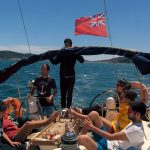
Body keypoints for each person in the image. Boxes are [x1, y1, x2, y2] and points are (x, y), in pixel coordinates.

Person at [69, 101, 147, 150]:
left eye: (130, 111)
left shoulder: (135, 130)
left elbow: (110, 137)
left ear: (137, 114)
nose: (127, 112)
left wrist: (91, 127)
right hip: (109, 142)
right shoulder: (135, 123)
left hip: (108, 147)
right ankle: (76, 140)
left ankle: (75, 140)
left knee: (83, 138)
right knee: (94, 114)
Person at [75, 78, 148, 115]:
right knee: (99, 106)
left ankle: (83, 113)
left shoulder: (128, 95)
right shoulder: (117, 93)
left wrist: (144, 88)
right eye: (116, 85)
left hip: (119, 111)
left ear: (123, 86)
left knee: (101, 110)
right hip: (114, 108)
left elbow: (139, 85)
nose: (116, 86)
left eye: (118, 85)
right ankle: (82, 111)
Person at [51, 38, 84, 108]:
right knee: (63, 95)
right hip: (63, 77)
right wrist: (49, 56)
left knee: (69, 95)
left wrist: (77, 51)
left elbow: (82, 60)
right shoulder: (62, 53)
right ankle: (63, 110)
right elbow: (55, 62)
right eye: (65, 45)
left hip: (71, 78)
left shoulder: (74, 53)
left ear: (71, 45)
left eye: (67, 45)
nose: (66, 46)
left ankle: (69, 110)